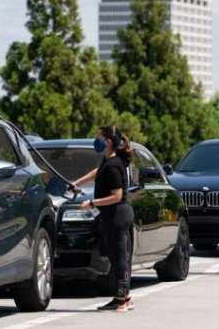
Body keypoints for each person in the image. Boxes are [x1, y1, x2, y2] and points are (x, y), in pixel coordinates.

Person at [71, 126, 135, 312]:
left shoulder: (114, 164)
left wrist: (91, 203)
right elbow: (96, 172)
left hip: (117, 214)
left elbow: (117, 195)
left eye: (98, 137)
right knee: (115, 257)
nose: (95, 140)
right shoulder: (108, 160)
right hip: (112, 215)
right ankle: (124, 296)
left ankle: (122, 299)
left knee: (119, 258)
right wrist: (76, 183)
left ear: (108, 141)